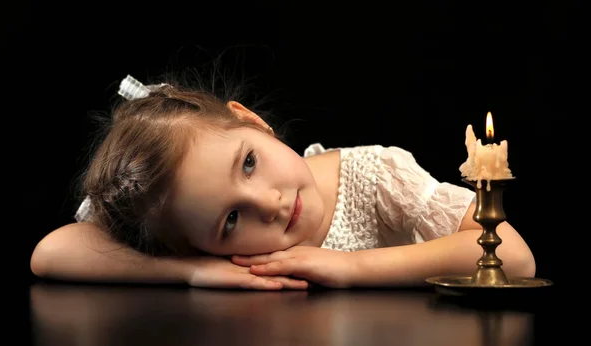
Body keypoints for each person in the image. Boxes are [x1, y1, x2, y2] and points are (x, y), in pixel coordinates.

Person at [30, 73, 536, 290]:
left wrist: (353, 268)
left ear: (251, 121)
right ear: (198, 246)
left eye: (248, 163)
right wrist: (188, 273)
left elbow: (512, 255)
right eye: (230, 220)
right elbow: (51, 253)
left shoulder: (375, 175)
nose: (267, 204)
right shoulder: (195, 249)